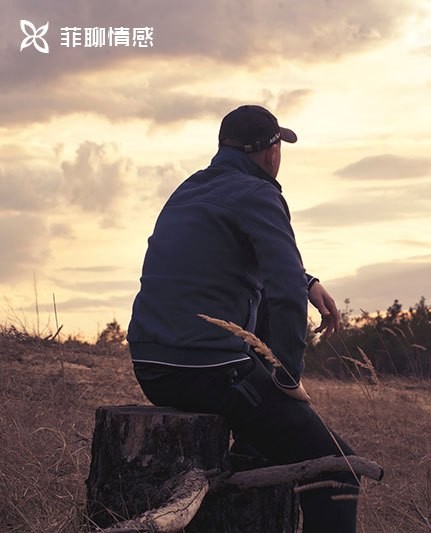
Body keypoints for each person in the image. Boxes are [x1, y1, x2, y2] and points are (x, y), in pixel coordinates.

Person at [127, 104, 359, 531]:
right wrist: (287, 377)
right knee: (336, 473)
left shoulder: (191, 188)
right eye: (278, 147)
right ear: (271, 152)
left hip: (152, 366)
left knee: (269, 438)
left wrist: (307, 281)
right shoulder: (260, 193)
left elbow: (227, 258)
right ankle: (260, 439)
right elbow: (283, 292)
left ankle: (253, 447)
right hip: (208, 371)